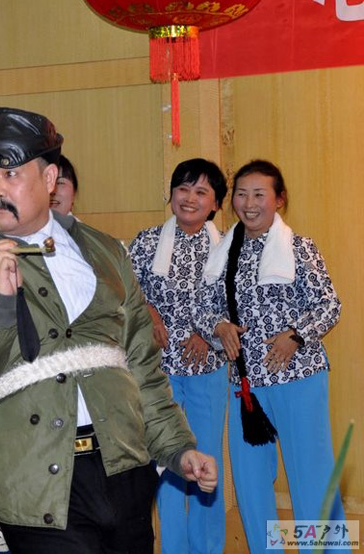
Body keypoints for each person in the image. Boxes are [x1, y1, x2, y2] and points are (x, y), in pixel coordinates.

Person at [0, 107, 217, 553]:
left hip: (123, 470)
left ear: (49, 178)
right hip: (28, 476)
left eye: (9, 174)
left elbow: (143, 368)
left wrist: (177, 448)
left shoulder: (106, 252)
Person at [195, 160, 346, 554]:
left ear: (279, 200)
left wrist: (296, 336)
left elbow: (329, 305)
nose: (249, 203)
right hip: (245, 387)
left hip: (298, 380)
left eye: (259, 194)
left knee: (312, 479)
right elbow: (202, 309)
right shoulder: (223, 252)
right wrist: (219, 327)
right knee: (250, 487)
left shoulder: (299, 247)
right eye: (242, 194)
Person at [128, 158, 228, 554]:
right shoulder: (147, 241)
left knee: (206, 461)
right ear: (170, 195)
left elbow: (239, 301)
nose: (190, 198)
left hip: (208, 368)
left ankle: (208, 547)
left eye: (201, 191)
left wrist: (210, 332)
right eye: (183, 188)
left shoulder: (228, 246)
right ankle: (173, 547)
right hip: (159, 370)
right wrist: (150, 313)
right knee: (168, 461)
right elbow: (126, 291)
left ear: (215, 203)